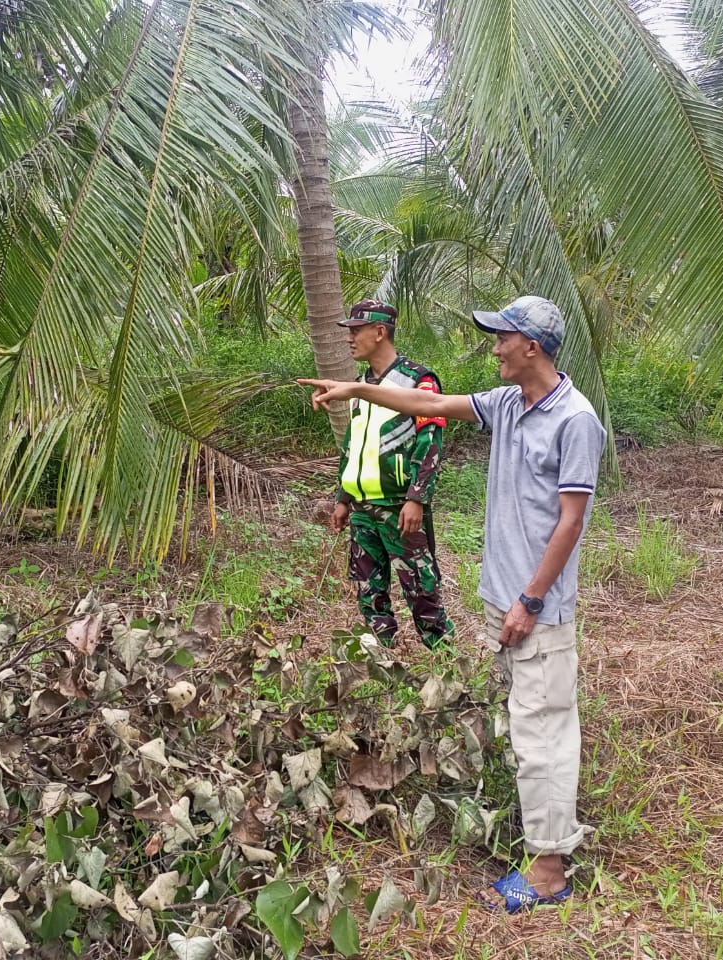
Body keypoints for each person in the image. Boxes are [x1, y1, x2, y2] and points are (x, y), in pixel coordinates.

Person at [300, 295, 605, 913]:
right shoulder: (510, 404)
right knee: (526, 718)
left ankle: (548, 872)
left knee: (543, 727)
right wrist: (357, 392)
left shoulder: (574, 420)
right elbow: (430, 405)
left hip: (534, 604)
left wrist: (530, 599)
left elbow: (571, 523)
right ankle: (536, 830)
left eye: (501, 339)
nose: (492, 348)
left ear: (532, 348)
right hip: (507, 598)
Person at [326, 299, 453, 649]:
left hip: (400, 507)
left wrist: (416, 498)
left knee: (421, 588)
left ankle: (444, 657)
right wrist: (343, 499)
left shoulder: (418, 381)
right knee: (369, 587)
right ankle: (382, 655)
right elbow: (353, 446)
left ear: (380, 332)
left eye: (356, 331)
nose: (349, 339)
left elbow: (431, 443)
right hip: (363, 507)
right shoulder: (359, 385)